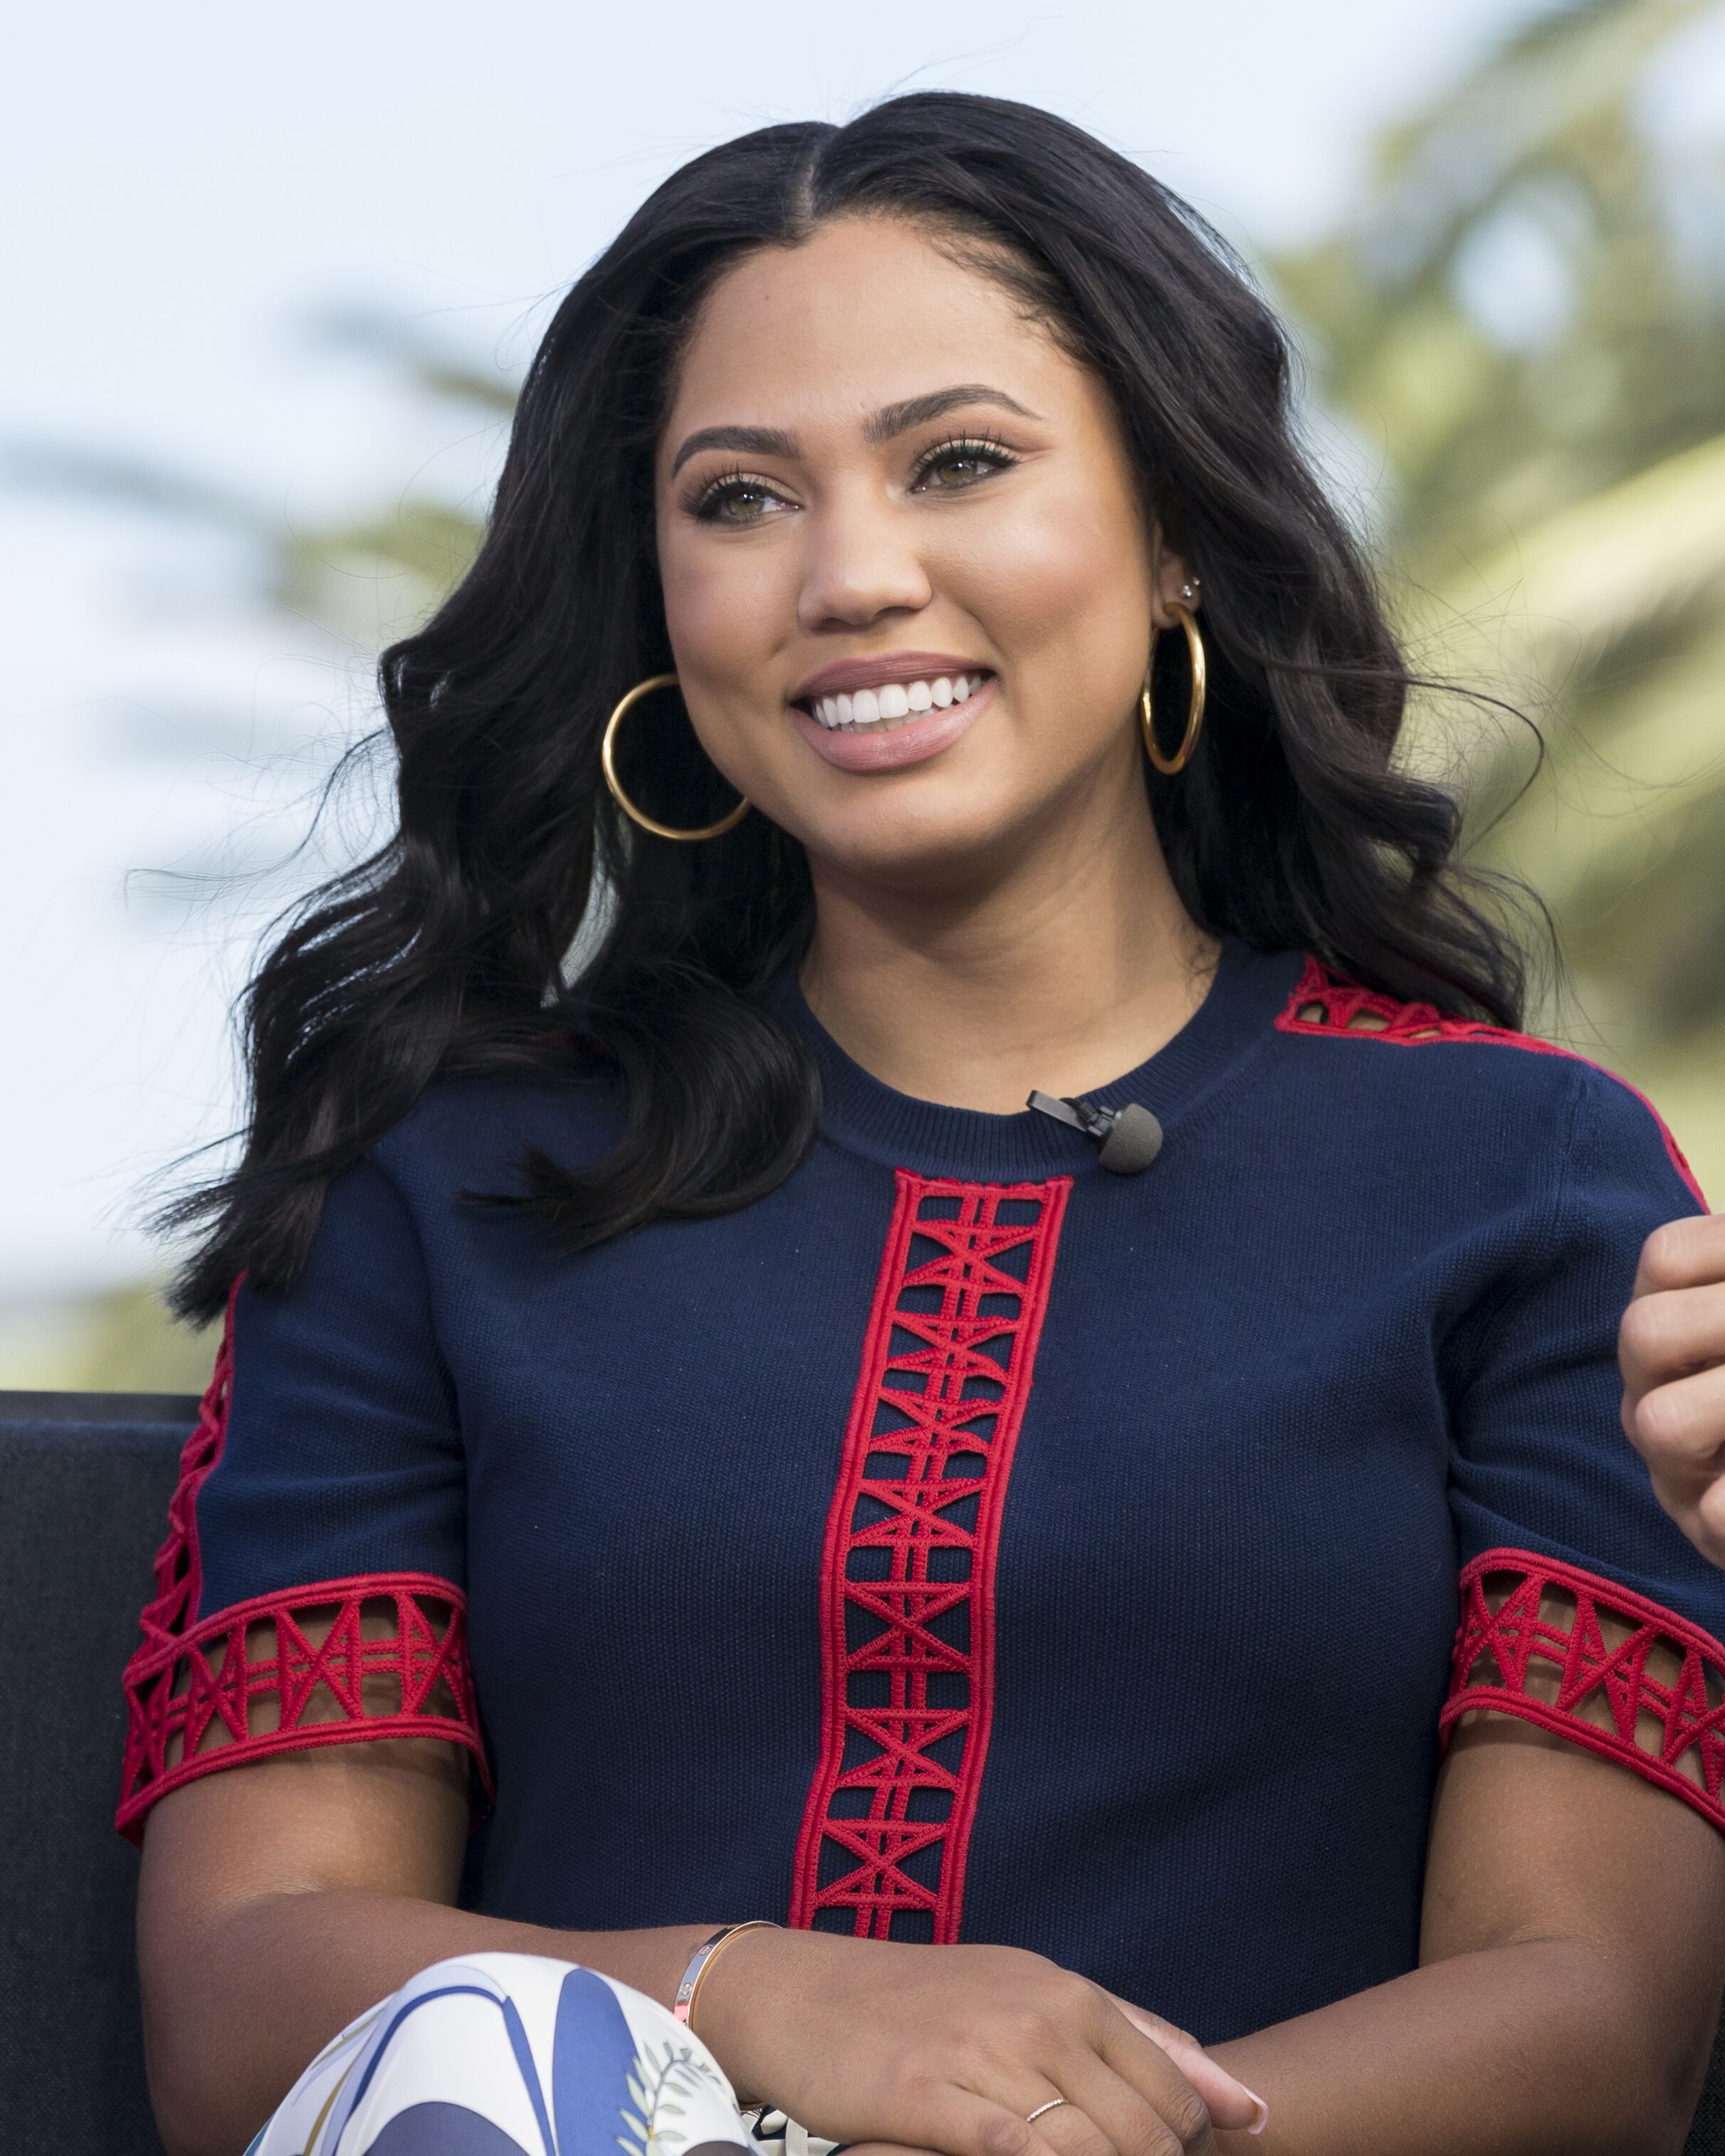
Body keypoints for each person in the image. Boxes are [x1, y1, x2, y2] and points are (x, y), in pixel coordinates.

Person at [122, 94, 1725, 2156]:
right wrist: (754, 1995)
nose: (854, 575)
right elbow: (253, 1987)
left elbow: (1591, 2023)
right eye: (738, 499)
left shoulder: (1528, 1182)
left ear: (1173, 547)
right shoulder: (439, 1187)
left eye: (960, 461)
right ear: (657, 602)